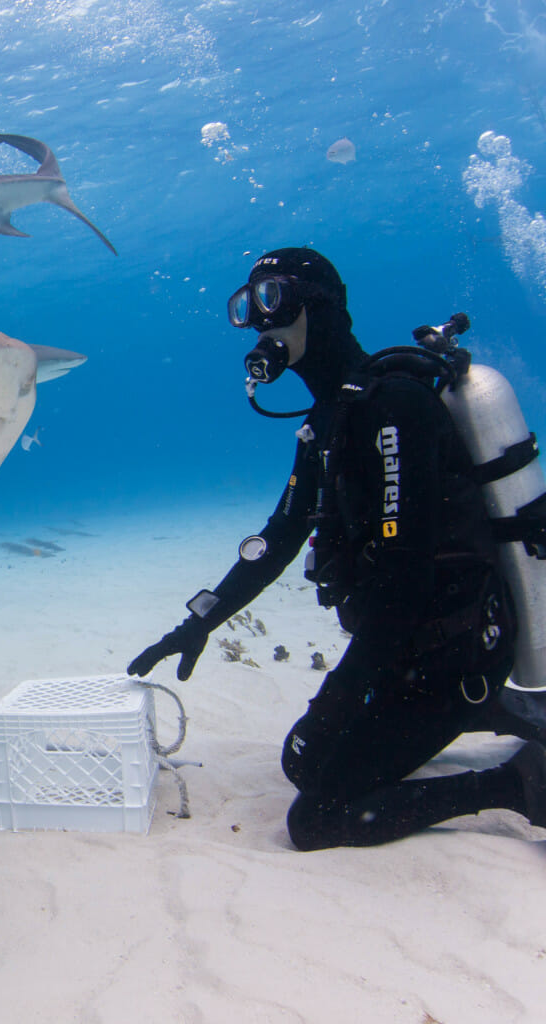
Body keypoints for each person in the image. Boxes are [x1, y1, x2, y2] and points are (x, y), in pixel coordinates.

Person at [128, 247, 546, 850]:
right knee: (303, 762)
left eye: (270, 299)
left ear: (319, 308)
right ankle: (489, 713)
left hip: (455, 652)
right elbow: (279, 537)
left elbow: (405, 583)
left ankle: (517, 783)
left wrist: (338, 693)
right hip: (407, 651)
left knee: (318, 816)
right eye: (247, 307)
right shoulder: (331, 417)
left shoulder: (393, 407)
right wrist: (201, 620)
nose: (258, 321)